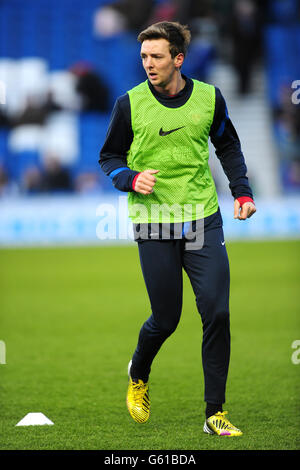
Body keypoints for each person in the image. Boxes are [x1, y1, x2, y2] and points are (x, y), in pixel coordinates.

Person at [99, 21, 256, 437]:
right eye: (144, 57)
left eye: (156, 56)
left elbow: (228, 145)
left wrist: (241, 193)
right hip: (153, 222)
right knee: (166, 319)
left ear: (178, 59)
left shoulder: (208, 98)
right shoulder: (128, 104)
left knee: (217, 312)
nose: (148, 64)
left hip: (202, 217)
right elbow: (109, 157)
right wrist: (131, 178)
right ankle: (139, 371)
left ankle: (214, 413)